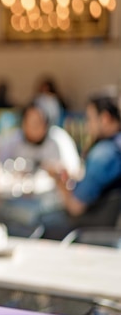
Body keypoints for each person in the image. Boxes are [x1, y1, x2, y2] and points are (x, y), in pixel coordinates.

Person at [0, 103, 81, 236]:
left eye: (37, 123)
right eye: (28, 122)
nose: (32, 127)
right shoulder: (15, 138)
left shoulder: (58, 140)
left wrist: (57, 173)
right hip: (16, 199)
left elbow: (74, 173)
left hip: (49, 204)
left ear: (46, 124)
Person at [44, 94, 121, 238]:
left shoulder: (104, 153)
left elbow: (75, 207)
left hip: (90, 228)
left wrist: (59, 181)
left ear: (104, 118)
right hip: (108, 227)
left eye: (89, 119)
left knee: (41, 222)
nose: (87, 126)